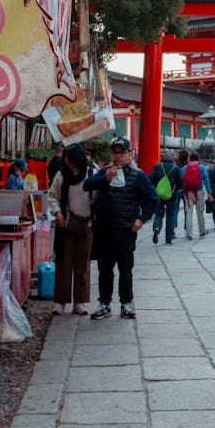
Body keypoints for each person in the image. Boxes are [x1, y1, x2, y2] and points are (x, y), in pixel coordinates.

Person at [83, 136, 157, 319]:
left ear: (129, 154)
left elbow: (152, 199)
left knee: (125, 269)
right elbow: (87, 185)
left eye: (121, 153)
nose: (117, 157)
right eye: (114, 153)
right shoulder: (105, 171)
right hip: (104, 228)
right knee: (104, 269)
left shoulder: (137, 175)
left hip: (125, 229)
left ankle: (127, 303)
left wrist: (141, 220)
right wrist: (104, 179)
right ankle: (104, 303)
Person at [47, 145, 91, 315]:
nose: (67, 162)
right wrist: (57, 211)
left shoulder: (91, 173)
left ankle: (79, 301)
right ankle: (60, 301)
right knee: (63, 263)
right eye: (66, 158)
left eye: (70, 159)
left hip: (86, 225)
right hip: (65, 223)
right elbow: (52, 196)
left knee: (82, 264)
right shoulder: (61, 174)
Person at [148, 149, 181, 245]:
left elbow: (150, 178)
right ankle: (168, 239)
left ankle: (157, 228)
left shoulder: (157, 166)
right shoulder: (176, 168)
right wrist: (174, 190)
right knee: (170, 216)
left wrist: (155, 187)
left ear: (163, 157)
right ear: (173, 158)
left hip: (158, 194)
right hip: (171, 195)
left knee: (158, 213)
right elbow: (180, 183)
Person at [181, 151, 210, 239]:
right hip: (199, 192)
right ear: (198, 159)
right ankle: (202, 231)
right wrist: (209, 191)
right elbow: (205, 179)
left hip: (188, 192)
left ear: (190, 159)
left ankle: (189, 233)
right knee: (200, 212)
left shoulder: (185, 167)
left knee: (189, 212)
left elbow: (181, 179)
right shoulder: (201, 167)